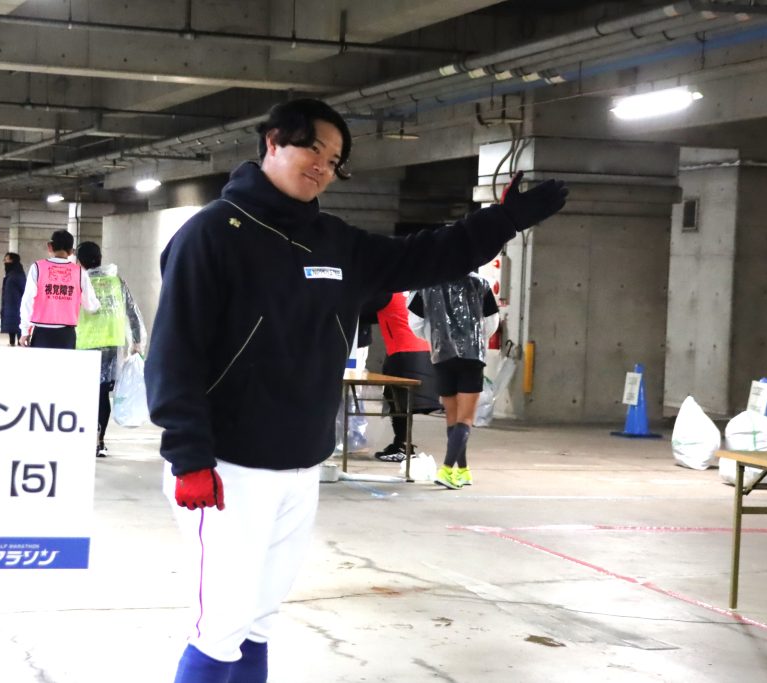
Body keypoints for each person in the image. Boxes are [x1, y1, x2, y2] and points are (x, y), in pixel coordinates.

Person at [144, 97, 567, 683]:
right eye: (313, 148)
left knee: (259, 621)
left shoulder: (335, 241)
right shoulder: (214, 233)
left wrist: (503, 220)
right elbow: (175, 352)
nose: (323, 165)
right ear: (273, 142)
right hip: (226, 466)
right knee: (220, 626)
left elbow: (427, 255)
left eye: (335, 159)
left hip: (301, 463)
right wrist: (188, 454)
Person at [408, 273, 499, 489]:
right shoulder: (481, 284)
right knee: (465, 419)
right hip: (472, 356)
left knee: (452, 418)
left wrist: (437, 337)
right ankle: (447, 470)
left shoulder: (427, 283)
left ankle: (463, 470)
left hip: (442, 355)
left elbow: (416, 322)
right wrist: (473, 337)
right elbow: (491, 323)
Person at [75, 241, 147, 457]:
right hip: (111, 344)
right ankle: (99, 441)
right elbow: (132, 311)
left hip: (84, 343)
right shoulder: (116, 281)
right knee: (102, 394)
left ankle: (83, 436)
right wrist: (137, 341)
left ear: (79, 261)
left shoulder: (79, 281)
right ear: (99, 258)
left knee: (84, 393)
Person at [363, 291, 441, 462]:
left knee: (399, 404)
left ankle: (402, 446)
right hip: (425, 351)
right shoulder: (413, 292)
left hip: (403, 352)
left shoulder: (386, 294)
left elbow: (363, 312)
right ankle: (402, 444)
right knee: (402, 403)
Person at [18, 229, 99, 349]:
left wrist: (25, 331)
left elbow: (27, 301)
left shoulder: (37, 268)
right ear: (71, 251)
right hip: (66, 334)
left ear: (50, 246)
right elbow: (91, 306)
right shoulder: (80, 272)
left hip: (41, 333)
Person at [0, 252, 26, 346]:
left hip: (17, 304)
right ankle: (11, 341)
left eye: (7, 259)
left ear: (13, 261)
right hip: (9, 304)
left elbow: (24, 289)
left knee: (17, 322)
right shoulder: (10, 274)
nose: (5, 262)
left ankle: (20, 341)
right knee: (11, 322)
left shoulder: (18, 274)